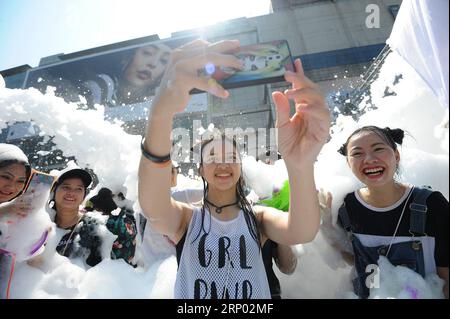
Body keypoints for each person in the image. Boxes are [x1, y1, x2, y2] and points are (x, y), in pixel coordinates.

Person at [138, 39, 330, 299]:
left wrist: (301, 165)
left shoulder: (259, 218)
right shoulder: (185, 219)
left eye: (231, 156)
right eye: (213, 156)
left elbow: (302, 231)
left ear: (241, 166)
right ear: (201, 170)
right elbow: (152, 206)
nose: (223, 163)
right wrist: (160, 115)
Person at [336, 126, 449, 298]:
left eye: (378, 149)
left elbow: (446, 279)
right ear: (348, 162)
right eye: (357, 153)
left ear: (396, 156)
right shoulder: (344, 207)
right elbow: (350, 258)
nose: (369, 159)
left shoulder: (431, 204)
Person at [82, 42, 172, 107]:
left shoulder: (157, 102)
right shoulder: (103, 85)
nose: (153, 63)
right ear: (127, 56)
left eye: (164, 60)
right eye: (147, 53)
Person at [49, 167, 105, 267]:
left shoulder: (93, 227)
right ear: (54, 190)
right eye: (66, 187)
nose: (71, 193)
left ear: (84, 195)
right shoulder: (41, 224)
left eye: (79, 189)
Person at [0, 143, 32, 299]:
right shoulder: (8, 209)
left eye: (21, 181)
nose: (11, 186)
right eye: (6, 177)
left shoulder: (17, 212)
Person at [85, 187, 137, 266]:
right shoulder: (126, 217)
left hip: (115, 266)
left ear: (103, 208)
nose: (96, 212)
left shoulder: (110, 223)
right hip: (128, 264)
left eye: (97, 209)